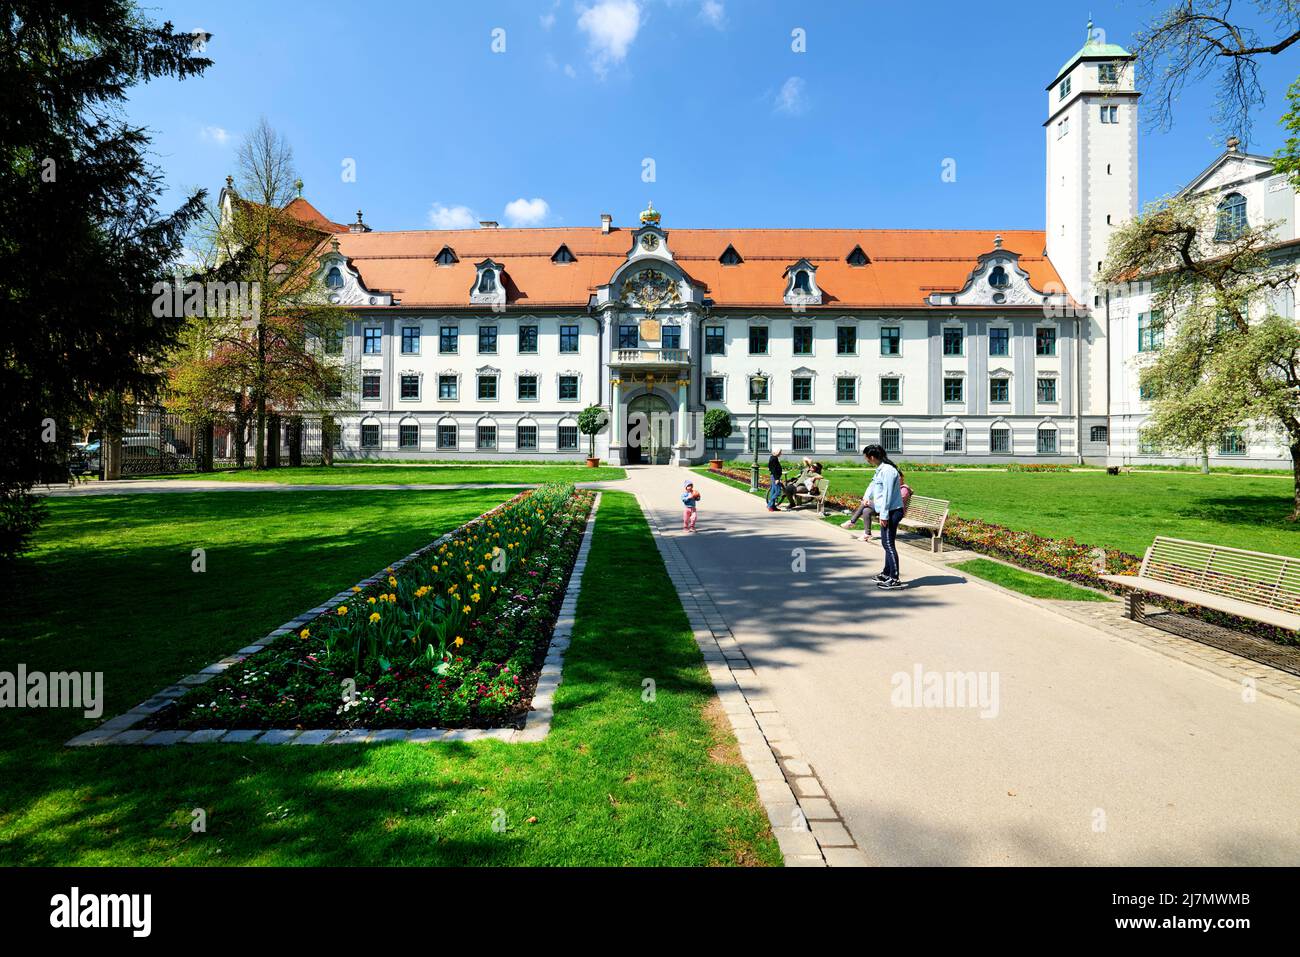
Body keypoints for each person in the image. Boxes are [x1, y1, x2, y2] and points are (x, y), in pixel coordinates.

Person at [863, 444, 905, 588]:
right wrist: (866, 496)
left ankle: (894, 578)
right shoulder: (881, 469)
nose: (866, 460)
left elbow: (887, 494)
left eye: (866, 457)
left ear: (872, 457)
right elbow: (873, 484)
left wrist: (884, 515)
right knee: (886, 543)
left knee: (888, 544)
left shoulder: (888, 471)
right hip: (889, 511)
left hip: (892, 511)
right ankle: (887, 573)